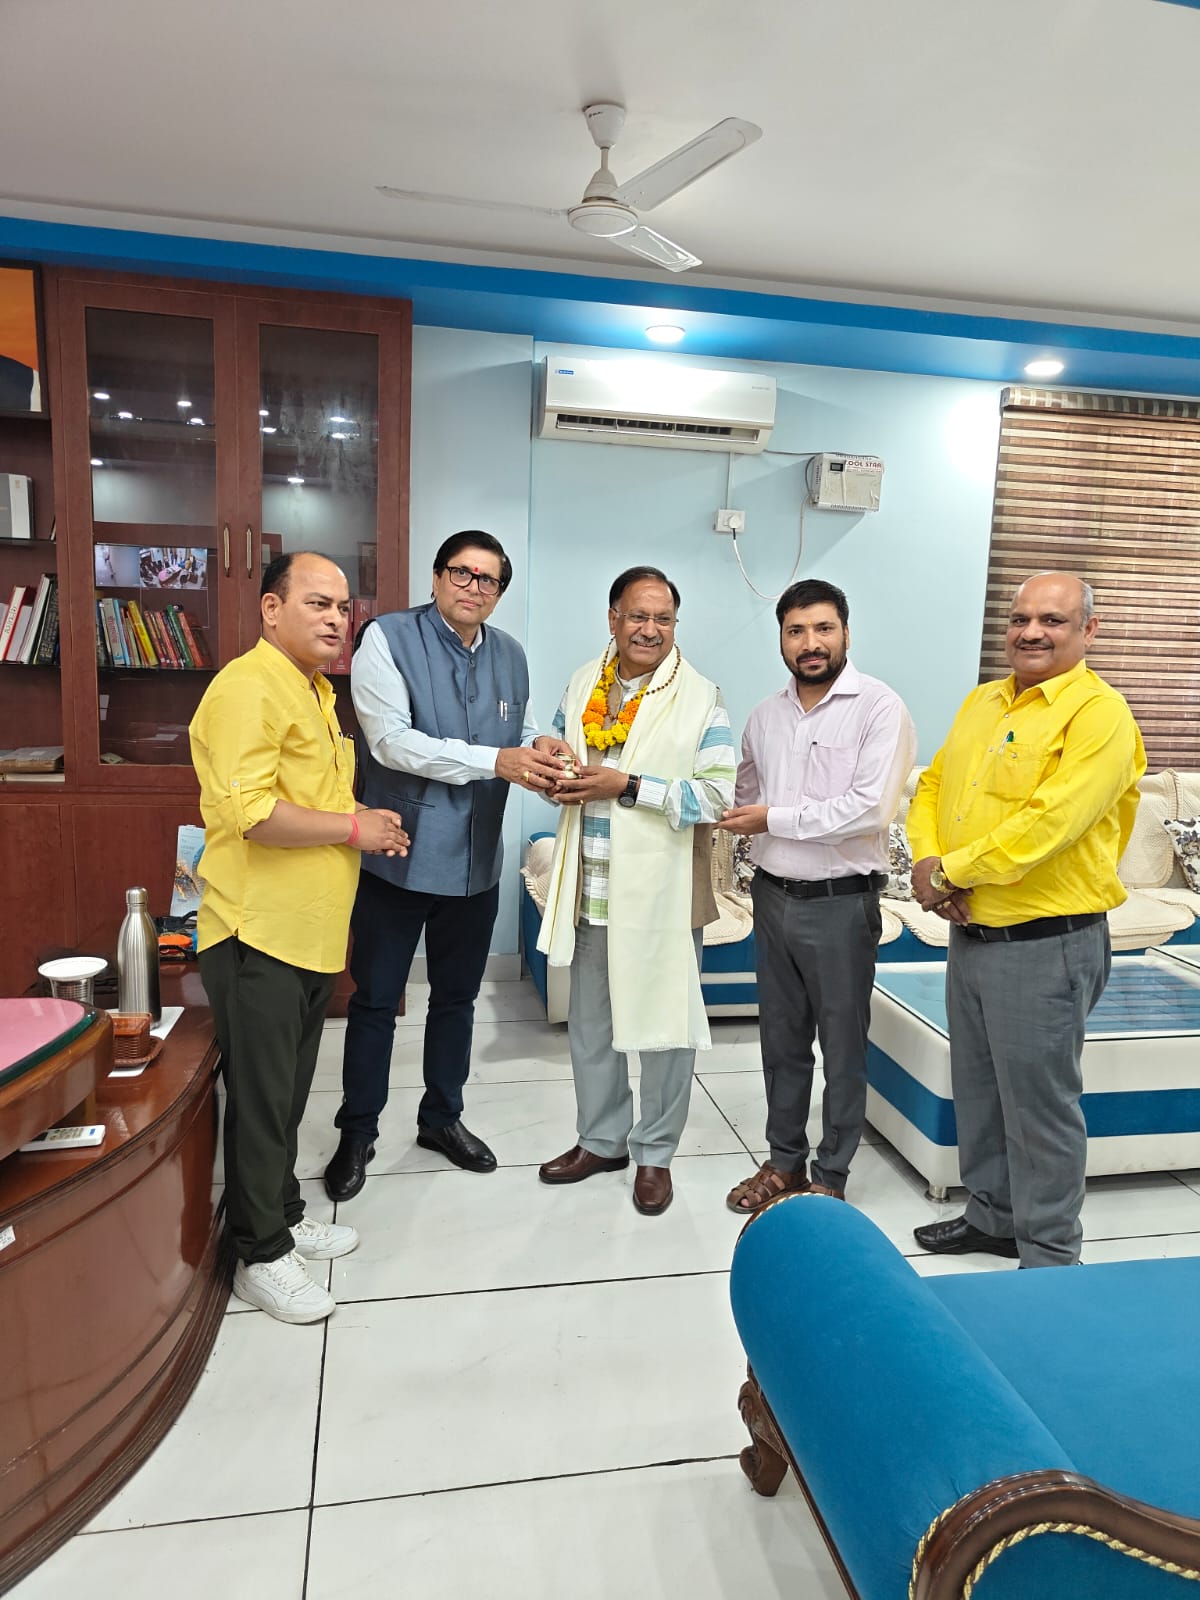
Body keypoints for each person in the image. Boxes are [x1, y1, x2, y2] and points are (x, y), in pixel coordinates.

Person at [190, 551, 409, 1324]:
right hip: (257, 933)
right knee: (260, 1100)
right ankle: (258, 1253)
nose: (335, 619)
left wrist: (356, 822)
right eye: (317, 603)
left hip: (310, 933)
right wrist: (355, 828)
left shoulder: (314, 690)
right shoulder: (247, 687)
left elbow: (310, 794)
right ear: (270, 609)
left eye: (343, 607)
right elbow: (253, 813)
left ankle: (281, 1211)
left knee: (285, 1095)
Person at [323, 531, 573, 1199]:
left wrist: (540, 747)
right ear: (436, 578)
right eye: (461, 573)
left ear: (499, 592)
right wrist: (497, 761)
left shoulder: (510, 654)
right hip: (399, 856)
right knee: (376, 1001)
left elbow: (516, 731)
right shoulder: (386, 639)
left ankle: (441, 1119)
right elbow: (391, 742)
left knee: (457, 1000)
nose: (473, 587)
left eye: (488, 579)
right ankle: (357, 1132)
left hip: (476, 862)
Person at [908, 571, 1145, 1268]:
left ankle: (1049, 1256)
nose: (1031, 632)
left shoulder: (1099, 716)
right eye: (1020, 619)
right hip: (971, 933)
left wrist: (950, 873)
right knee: (980, 1093)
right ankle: (993, 1218)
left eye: (1052, 620)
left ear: (1088, 630)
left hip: (1045, 945)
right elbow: (932, 786)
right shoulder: (983, 701)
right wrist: (927, 862)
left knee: (1039, 1111)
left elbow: (1050, 824)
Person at [537, 566, 736, 1216]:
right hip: (589, 888)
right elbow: (558, 749)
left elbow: (717, 796)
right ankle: (601, 1141)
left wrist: (626, 786)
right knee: (590, 1027)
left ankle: (655, 1155)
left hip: (663, 896)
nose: (650, 629)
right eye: (638, 616)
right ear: (613, 619)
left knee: (666, 1030)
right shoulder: (582, 684)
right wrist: (551, 767)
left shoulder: (702, 698)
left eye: (663, 619)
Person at [719, 579, 916, 1215]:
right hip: (772, 898)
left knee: (842, 1046)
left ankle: (831, 1172)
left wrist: (772, 819)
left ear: (846, 633)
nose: (811, 643)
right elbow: (740, 796)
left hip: (840, 904)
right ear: (781, 638)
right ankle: (784, 1162)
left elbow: (867, 810)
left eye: (823, 628)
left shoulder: (879, 707)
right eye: (796, 631)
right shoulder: (764, 715)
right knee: (780, 1043)